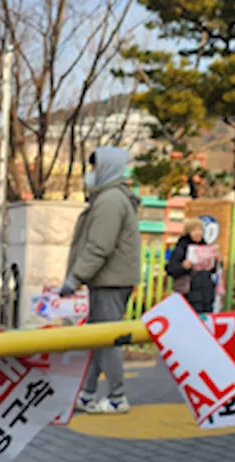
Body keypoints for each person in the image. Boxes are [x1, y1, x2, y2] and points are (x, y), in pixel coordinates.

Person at [60, 146, 142, 415]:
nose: (90, 173)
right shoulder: (111, 198)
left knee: (107, 339)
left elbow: (99, 246)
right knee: (98, 338)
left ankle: (118, 396)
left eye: (94, 167)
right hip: (110, 279)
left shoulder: (109, 201)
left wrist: (75, 278)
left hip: (109, 281)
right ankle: (87, 393)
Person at [168, 219, 219, 313]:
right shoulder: (181, 247)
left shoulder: (205, 247)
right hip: (189, 293)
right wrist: (183, 266)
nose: (198, 233)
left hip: (206, 294)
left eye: (200, 230)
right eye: (194, 230)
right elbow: (171, 269)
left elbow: (212, 270)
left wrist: (215, 261)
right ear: (188, 232)